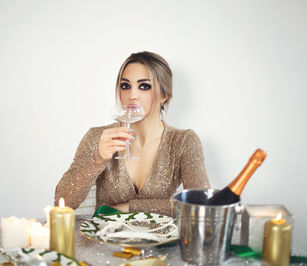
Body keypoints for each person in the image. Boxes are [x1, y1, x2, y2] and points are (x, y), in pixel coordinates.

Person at [54, 51, 210, 216]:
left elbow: (201, 206)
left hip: (160, 240)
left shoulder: (183, 141)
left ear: (164, 95)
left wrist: (129, 207)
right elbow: (61, 202)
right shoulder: (97, 137)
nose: (132, 96)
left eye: (144, 86)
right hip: (105, 239)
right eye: (125, 86)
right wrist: (98, 158)